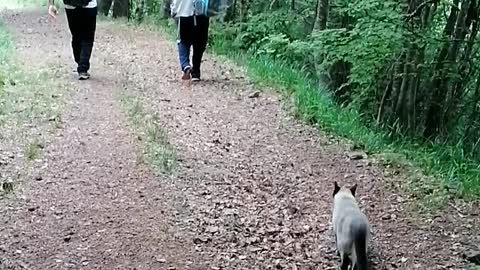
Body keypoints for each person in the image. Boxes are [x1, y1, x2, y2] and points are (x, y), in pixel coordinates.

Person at [48, 0, 98, 80]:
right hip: (89, 4)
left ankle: (80, 62)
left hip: (70, 4)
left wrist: (51, 4)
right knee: (87, 37)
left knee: (76, 35)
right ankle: (82, 67)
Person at [171, 0, 210, 82]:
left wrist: (174, 11)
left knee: (183, 41)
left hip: (185, 14)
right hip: (202, 15)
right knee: (199, 43)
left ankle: (185, 65)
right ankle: (196, 71)